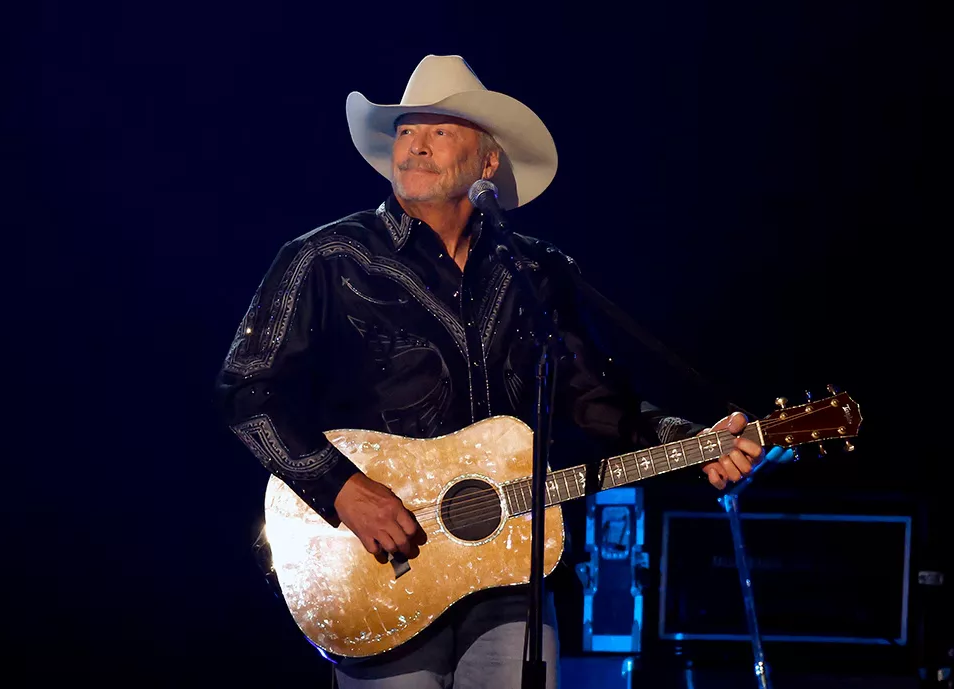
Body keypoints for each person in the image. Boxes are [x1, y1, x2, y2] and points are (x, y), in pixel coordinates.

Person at [214, 54, 765, 689]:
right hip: (377, 567)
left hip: (510, 569)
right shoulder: (327, 259)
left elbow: (593, 401)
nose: (415, 147)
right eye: (406, 130)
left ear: (488, 162)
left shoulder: (534, 271)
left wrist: (692, 443)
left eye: (439, 130)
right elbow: (245, 391)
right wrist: (343, 489)